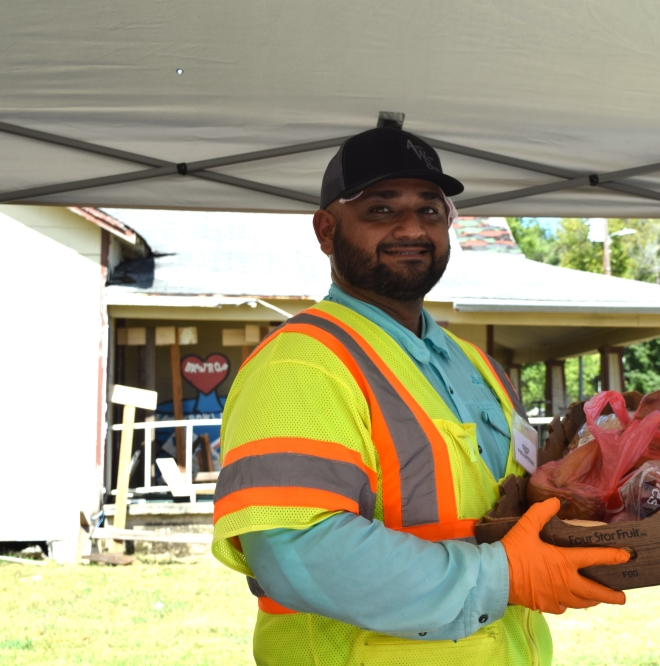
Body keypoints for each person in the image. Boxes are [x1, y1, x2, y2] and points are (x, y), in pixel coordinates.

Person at [211, 126, 630, 666]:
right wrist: (503, 575)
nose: (411, 228)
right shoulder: (301, 363)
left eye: (430, 211)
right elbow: (297, 551)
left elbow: (517, 502)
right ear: (325, 230)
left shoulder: (478, 365)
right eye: (381, 210)